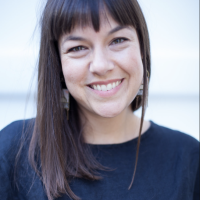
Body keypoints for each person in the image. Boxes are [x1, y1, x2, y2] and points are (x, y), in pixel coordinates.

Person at [0, 0, 199, 200]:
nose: (101, 65)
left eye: (118, 40)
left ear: (142, 49)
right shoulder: (12, 152)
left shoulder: (188, 158)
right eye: (78, 48)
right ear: (58, 65)